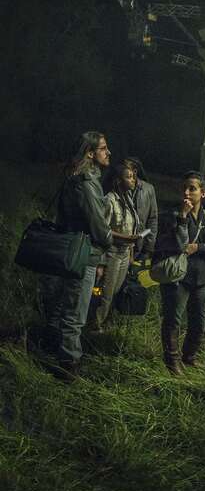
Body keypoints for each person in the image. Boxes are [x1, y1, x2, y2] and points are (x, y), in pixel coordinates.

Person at [40, 132, 118, 381]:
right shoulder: (86, 182)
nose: (108, 152)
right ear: (90, 153)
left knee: (63, 305)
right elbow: (97, 223)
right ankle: (68, 365)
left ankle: (51, 348)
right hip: (83, 253)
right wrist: (110, 240)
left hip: (72, 248)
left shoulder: (76, 178)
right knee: (76, 311)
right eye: (103, 148)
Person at [158, 172, 205, 374]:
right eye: (184, 188)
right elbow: (181, 244)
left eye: (192, 188)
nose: (186, 193)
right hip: (178, 278)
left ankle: (189, 357)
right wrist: (182, 217)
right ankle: (172, 361)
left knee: (199, 322)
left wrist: (200, 247)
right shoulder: (172, 216)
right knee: (173, 320)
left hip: (203, 278)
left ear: (203, 193)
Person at [92, 162, 139, 330]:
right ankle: (94, 326)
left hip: (124, 253)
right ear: (118, 181)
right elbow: (103, 230)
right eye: (129, 177)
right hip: (111, 253)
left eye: (133, 177)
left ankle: (105, 324)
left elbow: (130, 227)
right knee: (105, 294)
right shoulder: (109, 200)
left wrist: (131, 252)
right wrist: (101, 263)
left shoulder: (128, 199)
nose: (133, 180)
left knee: (115, 292)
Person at [124, 156, 158, 261]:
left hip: (140, 246)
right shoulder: (120, 186)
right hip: (122, 244)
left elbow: (152, 219)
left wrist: (149, 247)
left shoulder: (148, 189)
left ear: (135, 171)